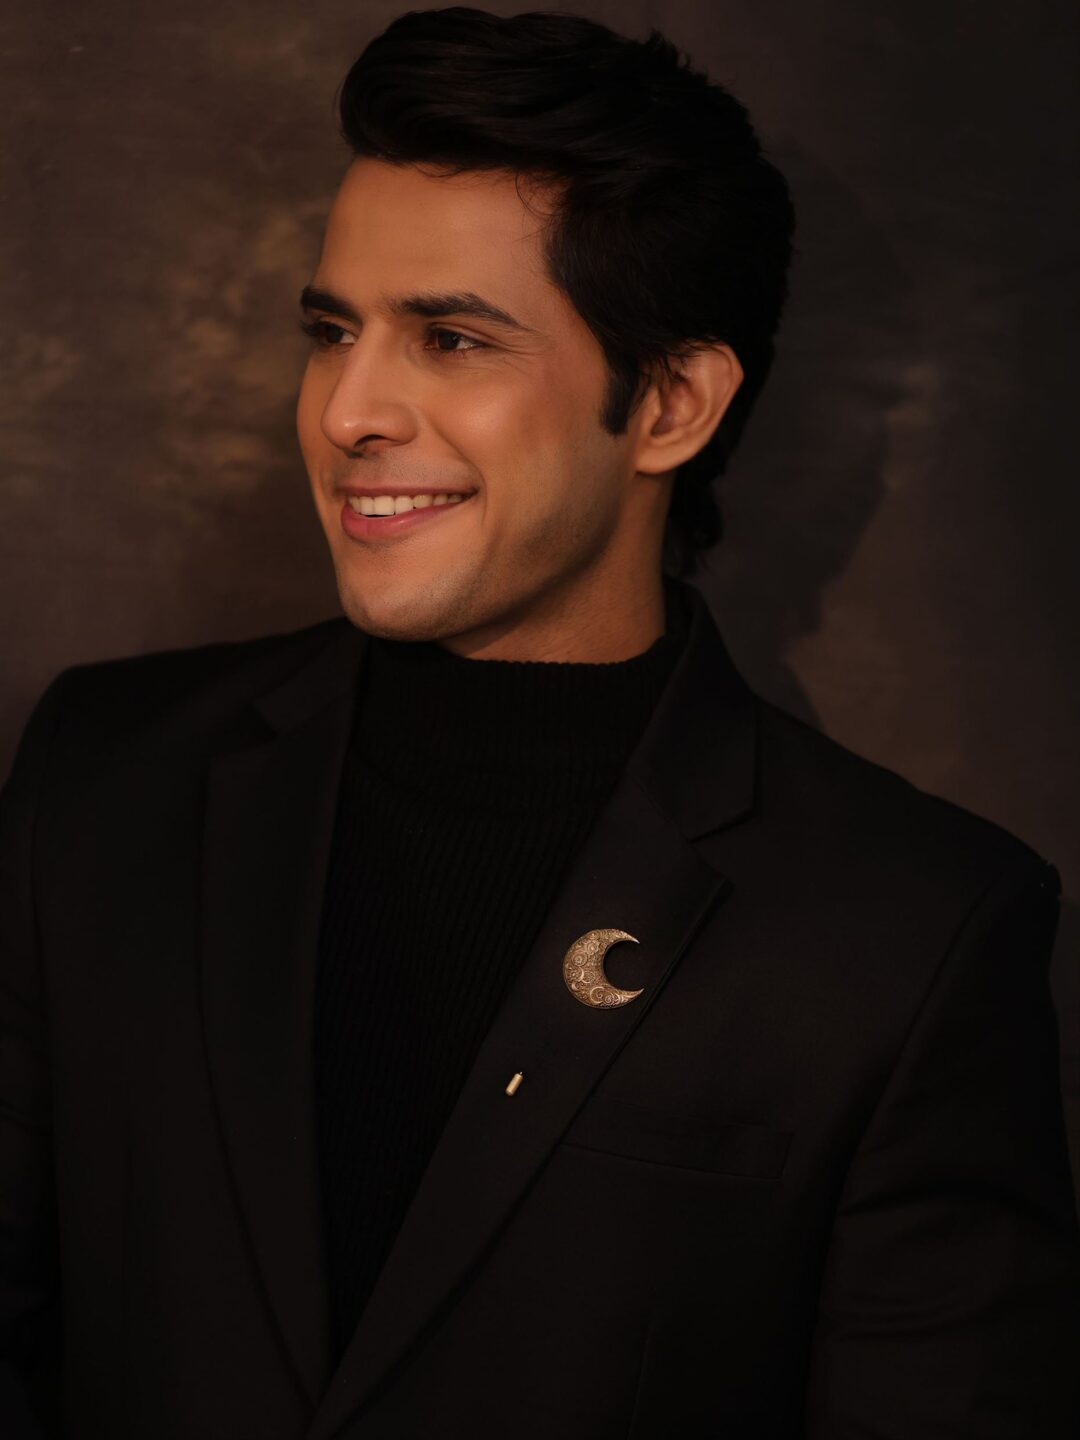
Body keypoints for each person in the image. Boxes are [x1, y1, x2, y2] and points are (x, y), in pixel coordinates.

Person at [1, 7, 1078, 1436]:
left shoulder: (911, 931)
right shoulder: (105, 772)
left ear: (671, 406)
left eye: (451, 339)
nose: (347, 410)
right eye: (332, 332)